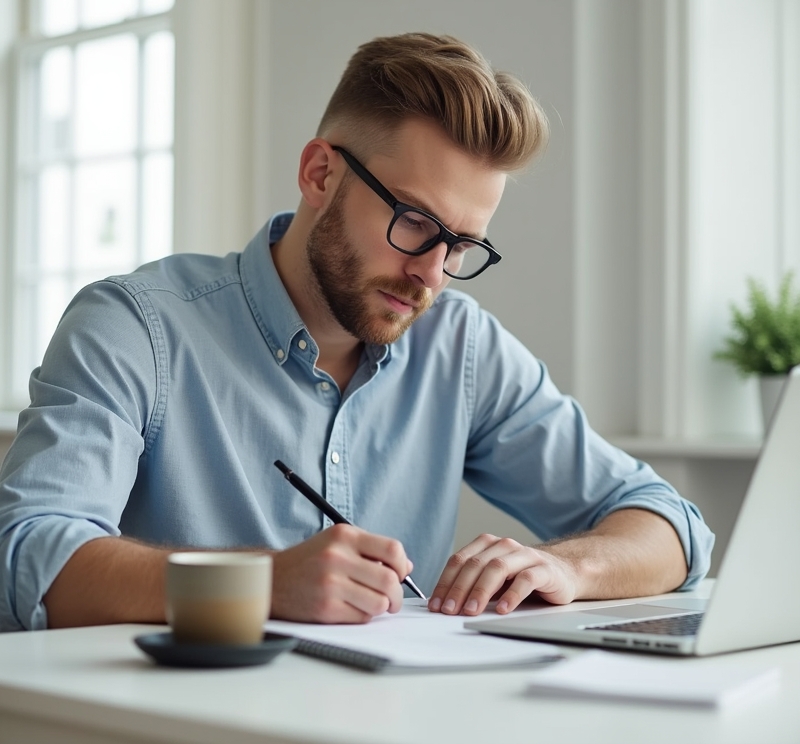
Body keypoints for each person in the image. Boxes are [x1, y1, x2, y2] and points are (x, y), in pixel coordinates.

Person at [0, 33, 713, 632]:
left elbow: (670, 526)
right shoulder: (137, 326)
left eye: (461, 245)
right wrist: (261, 585)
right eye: (414, 224)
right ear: (319, 173)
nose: (431, 274)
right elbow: (30, 554)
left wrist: (566, 566)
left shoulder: (462, 347)